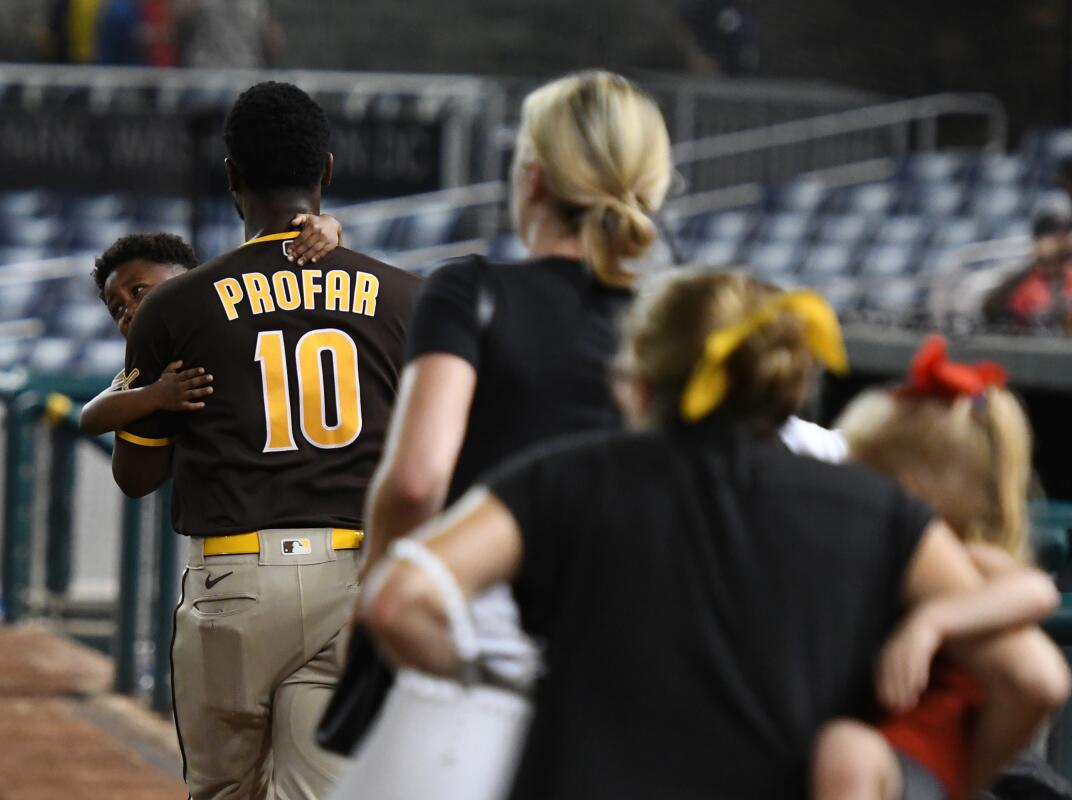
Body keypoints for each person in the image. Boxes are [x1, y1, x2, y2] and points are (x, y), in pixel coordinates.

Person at [360, 271, 1070, 800]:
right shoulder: (881, 514)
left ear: (637, 382)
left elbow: (399, 601)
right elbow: (1030, 677)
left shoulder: (560, 480)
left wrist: (497, 687)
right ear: (789, 383)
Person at [326, 71, 674, 800]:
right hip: (626, 678)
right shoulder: (676, 322)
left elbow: (418, 478)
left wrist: (378, 592)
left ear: (535, 178)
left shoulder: (471, 290)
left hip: (472, 650)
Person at [109, 81, 419, 800]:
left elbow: (136, 474)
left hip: (235, 583)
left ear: (231, 177)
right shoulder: (409, 299)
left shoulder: (176, 306)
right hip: (354, 579)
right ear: (328, 172)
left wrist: (143, 378)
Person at [812, 335, 1063, 800]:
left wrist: (934, 620)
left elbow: (1036, 591)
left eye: (865, 474)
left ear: (911, 491)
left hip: (920, 756)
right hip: (873, 754)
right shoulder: (861, 554)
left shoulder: (968, 558)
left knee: (847, 751)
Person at [79, 223, 343, 436]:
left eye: (138, 291)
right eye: (118, 310)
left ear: (188, 279)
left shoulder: (234, 313)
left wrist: (329, 227)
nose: (130, 312)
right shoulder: (152, 369)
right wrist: (154, 395)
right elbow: (89, 417)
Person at [982, 209, 1072, 331]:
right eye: (1053, 236)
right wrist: (1036, 263)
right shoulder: (1026, 281)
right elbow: (990, 309)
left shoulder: (1068, 273)